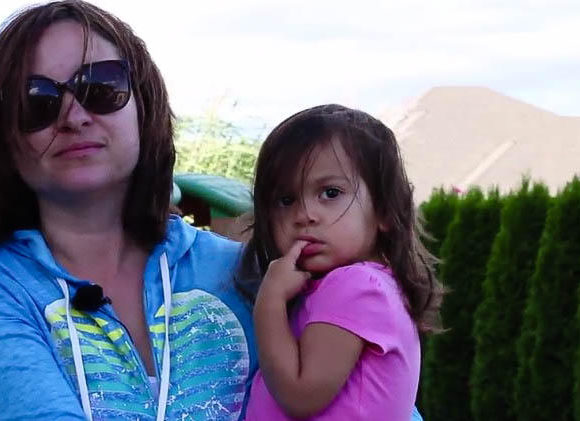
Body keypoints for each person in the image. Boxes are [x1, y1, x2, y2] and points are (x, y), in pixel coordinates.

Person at [0, 1, 257, 420]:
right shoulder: (9, 289)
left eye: (100, 87)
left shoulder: (249, 273)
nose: (74, 116)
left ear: (144, 104)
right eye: (37, 101)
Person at [239, 104, 444, 420]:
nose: (304, 215)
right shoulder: (362, 285)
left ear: (385, 211)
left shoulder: (354, 285)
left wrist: (269, 302)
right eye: (286, 200)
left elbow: (300, 395)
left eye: (330, 192)